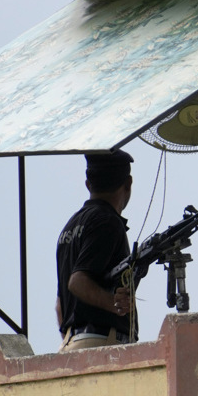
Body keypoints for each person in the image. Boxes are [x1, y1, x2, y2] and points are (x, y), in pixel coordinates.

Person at [55, 150, 136, 351]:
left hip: (70, 344)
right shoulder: (107, 221)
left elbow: (60, 307)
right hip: (101, 344)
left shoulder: (70, 226)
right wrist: (115, 304)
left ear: (88, 184)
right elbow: (77, 282)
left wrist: (74, 339)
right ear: (128, 183)